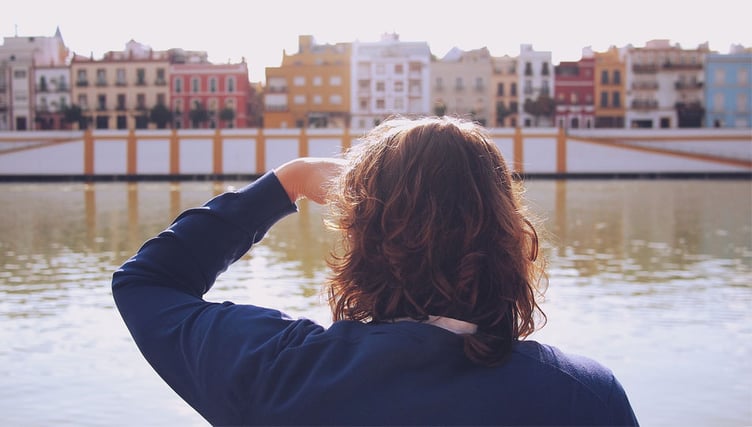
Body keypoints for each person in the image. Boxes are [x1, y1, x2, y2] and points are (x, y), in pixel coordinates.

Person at [113, 116, 639, 426]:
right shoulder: (583, 396)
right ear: (510, 237)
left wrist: (288, 182)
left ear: (361, 238)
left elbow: (147, 280)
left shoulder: (280, 373)